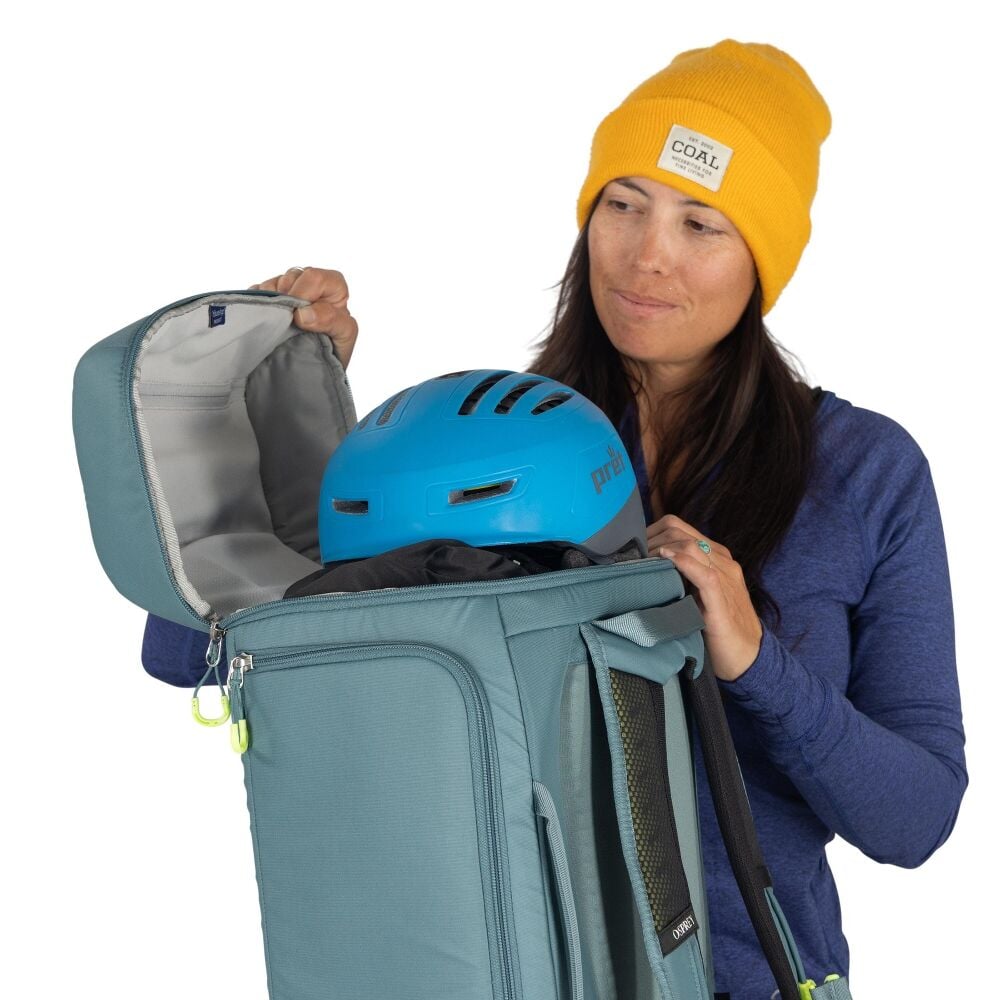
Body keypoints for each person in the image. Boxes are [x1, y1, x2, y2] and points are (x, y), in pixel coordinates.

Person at [141, 40, 967, 999]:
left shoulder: (865, 474)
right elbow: (197, 650)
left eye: (701, 223)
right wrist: (296, 414)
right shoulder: (488, 452)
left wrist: (753, 660)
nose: (648, 255)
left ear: (762, 260)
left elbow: (915, 821)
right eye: (623, 204)